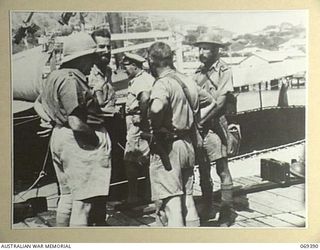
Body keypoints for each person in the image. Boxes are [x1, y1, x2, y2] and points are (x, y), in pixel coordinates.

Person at [34, 32, 112, 227]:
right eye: (91, 56)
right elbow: (76, 121)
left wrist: (52, 120)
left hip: (60, 135)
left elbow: (39, 104)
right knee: (83, 204)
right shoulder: (72, 79)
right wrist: (94, 139)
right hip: (79, 140)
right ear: (82, 57)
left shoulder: (55, 76)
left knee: (68, 197)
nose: (94, 60)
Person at [147, 42, 215, 227]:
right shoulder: (186, 80)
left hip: (169, 147)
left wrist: (156, 125)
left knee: (172, 204)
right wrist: (194, 120)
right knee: (188, 199)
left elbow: (156, 107)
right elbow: (211, 102)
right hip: (188, 144)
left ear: (152, 61)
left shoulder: (163, 83)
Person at [193, 32, 236, 226]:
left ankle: (227, 211)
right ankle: (207, 205)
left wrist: (201, 121)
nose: (201, 52)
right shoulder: (198, 72)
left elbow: (220, 103)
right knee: (203, 169)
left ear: (216, 50)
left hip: (217, 125)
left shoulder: (224, 71)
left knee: (222, 169)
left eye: (206, 48)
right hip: (201, 127)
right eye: (200, 48)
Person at [122, 52, 154, 204]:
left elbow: (145, 97)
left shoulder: (140, 80)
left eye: (126, 66)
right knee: (146, 159)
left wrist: (141, 115)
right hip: (139, 124)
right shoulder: (142, 78)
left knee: (131, 160)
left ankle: (133, 196)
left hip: (137, 125)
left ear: (134, 65)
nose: (124, 69)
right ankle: (148, 194)